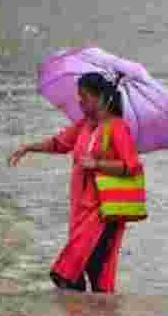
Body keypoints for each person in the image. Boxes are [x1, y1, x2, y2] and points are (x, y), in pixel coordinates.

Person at [8, 72, 143, 293]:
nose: (79, 101)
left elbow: (131, 166)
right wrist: (28, 148)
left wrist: (96, 164)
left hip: (103, 213)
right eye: (78, 96)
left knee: (75, 274)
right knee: (80, 274)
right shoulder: (85, 125)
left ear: (100, 98)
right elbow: (59, 143)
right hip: (81, 211)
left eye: (84, 96)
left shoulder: (117, 127)